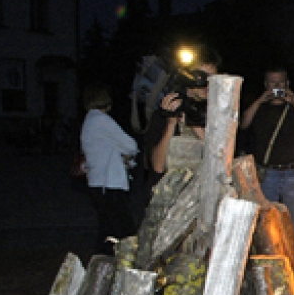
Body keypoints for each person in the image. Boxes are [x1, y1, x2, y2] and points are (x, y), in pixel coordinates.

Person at [240, 66, 294, 249]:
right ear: (266, 85)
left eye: (280, 83)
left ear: (287, 84)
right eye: (272, 83)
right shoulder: (259, 107)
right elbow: (243, 124)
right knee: (267, 224)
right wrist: (260, 100)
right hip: (267, 174)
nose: (277, 87)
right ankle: (270, 262)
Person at [139, 46, 222, 183]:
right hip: (168, 191)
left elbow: (221, 160)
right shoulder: (168, 111)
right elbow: (158, 167)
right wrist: (171, 124)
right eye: (202, 77)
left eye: (212, 79)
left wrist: (194, 124)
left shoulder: (218, 113)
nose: (207, 84)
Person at [80, 84, 139, 254]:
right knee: (124, 230)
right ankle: (127, 262)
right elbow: (130, 145)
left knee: (107, 230)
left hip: (97, 181)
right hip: (109, 183)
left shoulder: (89, 121)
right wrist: (125, 155)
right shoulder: (101, 120)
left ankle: (102, 262)